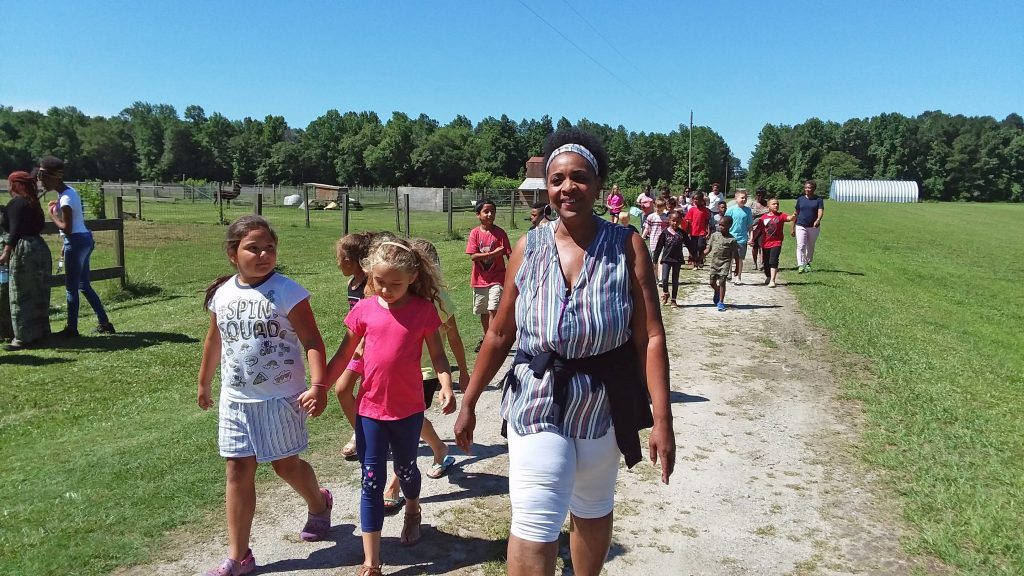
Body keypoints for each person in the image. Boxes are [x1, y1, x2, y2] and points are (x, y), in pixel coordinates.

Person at [454, 128, 675, 576]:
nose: (567, 188)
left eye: (578, 178)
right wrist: (470, 400)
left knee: (592, 507)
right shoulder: (528, 248)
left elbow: (649, 335)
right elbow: (499, 334)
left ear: (598, 185)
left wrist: (663, 421)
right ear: (546, 187)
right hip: (537, 392)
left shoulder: (627, 245)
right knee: (536, 516)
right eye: (557, 179)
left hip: (603, 398)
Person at [197, 215, 333, 576]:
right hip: (236, 399)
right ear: (232, 253)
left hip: (281, 398)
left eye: (269, 248)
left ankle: (319, 503)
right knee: (238, 468)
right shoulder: (222, 294)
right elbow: (215, 340)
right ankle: (239, 556)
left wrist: (318, 386)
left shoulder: (288, 291)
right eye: (252, 248)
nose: (262, 254)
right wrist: (204, 382)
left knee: (284, 465)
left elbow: (312, 341)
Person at [324, 237, 455, 576]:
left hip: (408, 411)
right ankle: (372, 561)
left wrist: (445, 385)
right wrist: (319, 386)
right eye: (379, 281)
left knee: (408, 470)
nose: (385, 289)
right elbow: (343, 354)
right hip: (370, 412)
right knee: (371, 480)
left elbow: (438, 355)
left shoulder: (423, 310)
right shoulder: (363, 310)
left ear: (412, 278)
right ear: (370, 274)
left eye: (394, 284)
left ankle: (413, 510)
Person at [380, 239, 466, 510]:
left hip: (426, 373)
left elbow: (453, 338)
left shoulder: (438, 300)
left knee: (407, 423)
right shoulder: (394, 297)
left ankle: (393, 485)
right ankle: (440, 449)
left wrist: (462, 372)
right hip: (399, 372)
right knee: (412, 420)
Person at [37, 156, 114, 337]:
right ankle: (105, 322)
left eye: (44, 178)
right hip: (83, 240)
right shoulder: (68, 193)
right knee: (83, 285)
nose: (42, 182)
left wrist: (51, 215)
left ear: (54, 177)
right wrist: (65, 244)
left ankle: (71, 328)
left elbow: (68, 228)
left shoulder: (65, 200)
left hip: (76, 241)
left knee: (71, 288)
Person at [334, 232, 375, 461]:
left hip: (369, 347)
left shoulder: (371, 284)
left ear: (349, 261)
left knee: (364, 394)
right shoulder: (352, 283)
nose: (338, 263)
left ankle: (367, 436)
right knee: (343, 389)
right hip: (357, 346)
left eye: (339, 258)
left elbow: (374, 316)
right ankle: (361, 434)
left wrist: (362, 343)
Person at [1, 171, 51, 350]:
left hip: (23, 249)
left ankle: (21, 337)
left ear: (16, 185)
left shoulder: (17, 203)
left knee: (21, 293)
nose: (8, 187)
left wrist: (6, 252)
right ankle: (40, 332)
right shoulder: (33, 204)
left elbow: (14, 231)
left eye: (10, 183)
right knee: (39, 290)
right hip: (39, 246)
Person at [466, 199, 512, 350]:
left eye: (492, 211)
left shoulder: (500, 233)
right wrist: (493, 253)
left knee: (493, 308)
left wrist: (513, 274)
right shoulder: (475, 233)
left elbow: (509, 255)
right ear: (478, 215)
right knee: (483, 310)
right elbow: (473, 256)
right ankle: (486, 337)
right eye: (486, 211)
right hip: (479, 279)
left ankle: (492, 341)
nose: (490, 214)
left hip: (497, 278)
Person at [704, 214, 739, 312]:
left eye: (722, 225)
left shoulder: (732, 240)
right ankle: (717, 290)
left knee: (722, 281)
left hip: (725, 263)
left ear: (729, 226)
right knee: (712, 282)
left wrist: (736, 268)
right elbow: (708, 249)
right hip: (714, 262)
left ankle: (721, 302)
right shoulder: (714, 236)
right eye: (719, 224)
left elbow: (736, 254)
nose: (720, 227)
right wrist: (700, 256)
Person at [759, 198, 796, 288]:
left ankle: (772, 280)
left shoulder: (781, 215)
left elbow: (789, 218)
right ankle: (768, 276)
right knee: (766, 262)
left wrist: (794, 214)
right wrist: (752, 239)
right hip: (765, 243)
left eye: (777, 204)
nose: (776, 205)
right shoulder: (763, 218)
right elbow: (758, 230)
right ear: (768, 206)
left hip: (777, 242)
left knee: (773, 261)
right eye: (774, 204)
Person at [655, 211, 687, 307]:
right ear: (669, 220)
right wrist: (654, 260)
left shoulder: (682, 233)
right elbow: (659, 247)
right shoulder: (664, 233)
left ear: (681, 221)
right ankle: (665, 293)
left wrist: (695, 256)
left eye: (677, 221)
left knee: (675, 280)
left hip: (677, 259)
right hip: (666, 258)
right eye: (673, 221)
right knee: (664, 278)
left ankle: (673, 300)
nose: (675, 223)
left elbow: (689, 245)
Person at [792, 180, 825, 273]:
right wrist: (792, 226)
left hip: (813, 227)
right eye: (806, 187)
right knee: (801, 245)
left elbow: (820, 211)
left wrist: (818, 219)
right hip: (800, 225)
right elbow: (796, 213)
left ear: (814, 189)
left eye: (809, 187)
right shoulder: (800, 199)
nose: (807, 189)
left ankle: (807, 262)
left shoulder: (818, 199)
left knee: (810, 245)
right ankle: (800, 265)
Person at [725, 190, 753, 285]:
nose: (744, 199)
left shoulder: (748, 210)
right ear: (736, 199)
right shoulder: (731, 210)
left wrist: (751, 237)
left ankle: (738, 276)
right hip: (730, 237)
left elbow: (750, 225)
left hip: (742, 238)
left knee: (739, 258)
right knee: (730, 257)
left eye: (745, 198)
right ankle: (728, 273)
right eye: (742, 198)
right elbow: (725, 223)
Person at [683, 191, 711, 269]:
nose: (696, 201)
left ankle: (701, 258)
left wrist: (708, 231)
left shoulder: (705, 210)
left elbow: (707, 222)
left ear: (702, 200)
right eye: (694, 199)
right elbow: (688, 220)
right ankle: (695, 262)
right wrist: (687, 231)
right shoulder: (692, 209)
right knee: (694, 248)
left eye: (697, 199)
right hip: (693, 232)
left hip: (702, 232)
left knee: (701, 246)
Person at [749, 187, 770, 270]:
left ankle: (762, 262)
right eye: (758, 194)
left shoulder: (767, 204)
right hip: (754, 227)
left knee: (763, 245)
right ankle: (754, 262)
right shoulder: (752, 204)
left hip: (765, 227)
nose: (759, 196)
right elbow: (750, 215)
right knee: (755, 246)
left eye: (761, 195)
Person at [641, 197, 668, 262]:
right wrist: (642, 238)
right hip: (654, 240)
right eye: (657, 207)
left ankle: (661, 272)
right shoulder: (651, 216)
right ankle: (654, 272)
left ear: (664, 207)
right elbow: (646, 228)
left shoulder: (667, 217)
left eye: (660, 207)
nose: (658, 209)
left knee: (661, 259)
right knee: (654, 259)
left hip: (664, 241)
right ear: (654, 206)